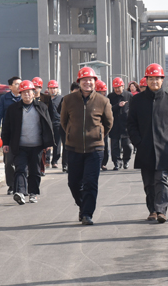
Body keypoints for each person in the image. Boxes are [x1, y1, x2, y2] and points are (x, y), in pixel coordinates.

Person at [127, 64, 168, 223]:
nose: (154, 81)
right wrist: (138, 142)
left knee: (161, 179)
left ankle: (161, 210)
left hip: (164, 147)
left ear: (162, 80)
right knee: (148, 183)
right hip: (145, 148)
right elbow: (131, 124)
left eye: (157, 78)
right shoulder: (137, 100)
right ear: (146, 80)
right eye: (151, 79)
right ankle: (152, 210)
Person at [60, 67, 113, 225]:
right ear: (79, 82)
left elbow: (108, 123)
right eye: (84, 80)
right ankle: (82, 205)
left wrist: (98, 135)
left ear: (95, 82)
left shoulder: (103, 101)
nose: (87, 82)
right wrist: (71, 133)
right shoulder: (68, 100)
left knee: (90, 182)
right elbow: (64, 122)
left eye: (90, 80)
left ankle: (87, 214)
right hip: (73, 148)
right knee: (73, 183)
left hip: (95, 149)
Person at [1, 80, 55, 205]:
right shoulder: (13, 109)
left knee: (35, 171)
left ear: (33, 93)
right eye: (24, 92)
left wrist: (48, 143)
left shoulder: (41, 107)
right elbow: (7, 127)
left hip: (37, 146)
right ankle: (20, 192)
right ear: (20, 94)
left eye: (29, 92)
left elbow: (48, 125)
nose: (26, 95)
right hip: (19, 146)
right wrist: (6, 143)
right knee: (20, 169)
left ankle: (33, 193)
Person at [0, 76, 22, 194]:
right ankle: (11, 185)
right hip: (8, 134)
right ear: (10, 87)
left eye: (21, 83)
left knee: (22, 161)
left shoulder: (25, 98)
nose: (20, 86)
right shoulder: (4, 99)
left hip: (23, 134)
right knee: (9, 161)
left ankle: (21, 185)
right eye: (17, 84)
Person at [108, 77, 133, 171]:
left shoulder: (129, 95)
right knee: (115, 146)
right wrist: (117, 106)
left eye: (119, 87)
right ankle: (117, 162)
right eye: (115, 88)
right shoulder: (110, 97)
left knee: (127, 145)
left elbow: (134, 108)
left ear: (123, 86)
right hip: (114, 124)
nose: (117, 89)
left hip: (126, 125)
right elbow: (108, 109)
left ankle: (126, 160)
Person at [58, 82, 80, 172]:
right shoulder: (65, 99)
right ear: (71, 91)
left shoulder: (82, 101)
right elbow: (59, 111)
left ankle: (74, 165)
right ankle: (65, 165)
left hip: (77, 128)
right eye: (75, 91)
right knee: (66, 146)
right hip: (66, 127)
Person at [46, 80, 63, 169]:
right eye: (51, 88)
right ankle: (47, 160)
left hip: (57, 123)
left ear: (57, 89)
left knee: (57, 142)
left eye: (54, 88)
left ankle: (55, 161)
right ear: (48, 89)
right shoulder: (45, 99)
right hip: (47, 123)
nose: (53, 90)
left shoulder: (61, 99)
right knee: (47, 142)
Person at [95, 81, 111, 170]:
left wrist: (106, 128)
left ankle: (103, 163)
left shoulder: (105, 101)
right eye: (103, 91)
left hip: (103, 127)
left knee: (105, 145)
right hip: (94, 128)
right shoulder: (92, 101)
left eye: (105, 91)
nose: (104, 93)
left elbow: (109, 118)